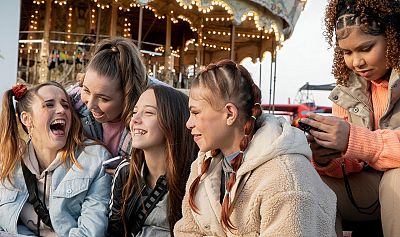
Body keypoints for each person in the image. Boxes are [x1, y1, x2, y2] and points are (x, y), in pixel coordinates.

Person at [174, 59, 337, 236]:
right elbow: (187, 231)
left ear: (229, 114)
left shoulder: (287, 179)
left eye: (196, 112)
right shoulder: (202, 165)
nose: (188, 124)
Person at [299, 0, 400, 236]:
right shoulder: (345, 91)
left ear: (393, 37)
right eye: (347, 52)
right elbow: (351, 166)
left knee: (396, 181)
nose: (356, 62)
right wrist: (326, 158)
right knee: (305, 184)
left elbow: (361, 143)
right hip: (372, 189)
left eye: (366, 48)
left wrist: (353, 139)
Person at [0, 82, 112, 236]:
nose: (61, 110)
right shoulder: (10, 163)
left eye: (66, 105)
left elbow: (91, 233)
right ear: (27, 119)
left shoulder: (95, 158)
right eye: (49, 105)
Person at [107, 84, 197, 237]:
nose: (134, 119)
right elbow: (116, 230)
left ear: (173, 121)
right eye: (135, 112)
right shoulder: (126, 172)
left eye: (148, 112)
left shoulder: (195, 176)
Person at [69, 37, 148, 158]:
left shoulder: (143, 124)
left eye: (104, 99)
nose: (90, 105)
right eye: (86, 90)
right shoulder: (73, 100)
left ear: (127, 95)